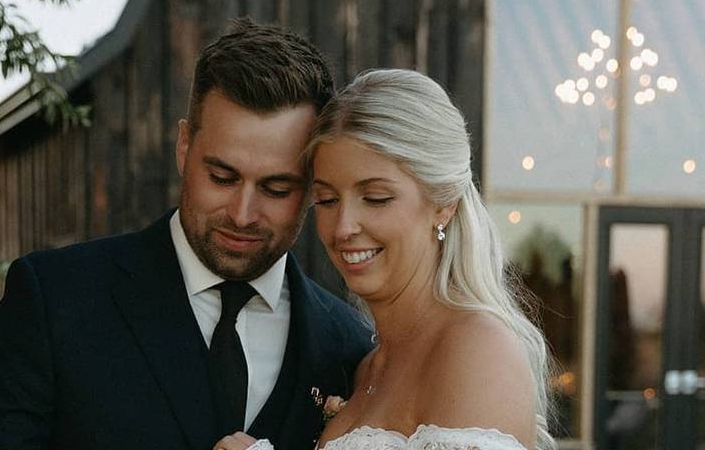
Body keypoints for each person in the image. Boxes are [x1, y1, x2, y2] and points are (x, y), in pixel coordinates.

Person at [0, 19, 373, 450]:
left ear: (315, 183)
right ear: (184, 148)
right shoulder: (55, 299)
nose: (242, 214)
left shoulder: (349, 347)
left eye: (277, 188)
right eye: (221, 177)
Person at [214, 69, 555, 450]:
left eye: (376, 198)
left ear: (443, 204)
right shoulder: (364, 367)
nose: (343, 227)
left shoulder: (476, 348)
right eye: (326, 200)